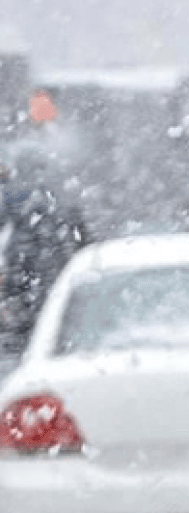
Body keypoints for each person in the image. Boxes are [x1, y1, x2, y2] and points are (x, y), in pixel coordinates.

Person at [0, 149, 93, 357]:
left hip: (21, 255)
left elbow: (2, 218)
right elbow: (75, 220)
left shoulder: (12, 189)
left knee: (20, 295)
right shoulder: (56, 188)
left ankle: (22, 332)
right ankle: (45, 332)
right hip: (53, 252)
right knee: (53, 296)